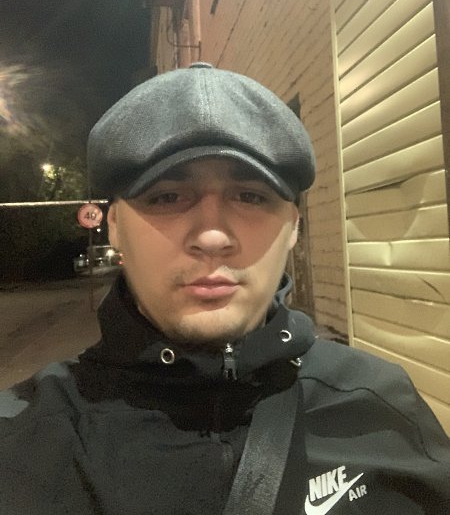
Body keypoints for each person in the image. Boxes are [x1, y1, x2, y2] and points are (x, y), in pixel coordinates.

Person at [0, 62, 449, 515]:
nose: (213, 237)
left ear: (293, 226)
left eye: (250, 196)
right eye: (167, 197)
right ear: (114, 225)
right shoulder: (25, 440)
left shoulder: (381, 411)